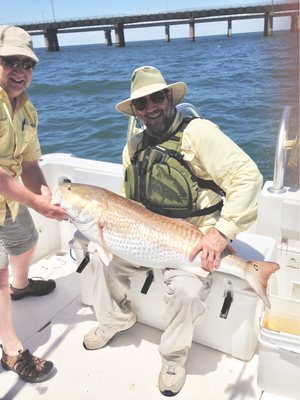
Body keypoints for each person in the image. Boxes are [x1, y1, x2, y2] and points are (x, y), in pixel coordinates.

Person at [83, 66, 263, 396]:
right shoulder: (133, 147)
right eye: (142, 103)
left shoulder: (199, 134)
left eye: (157, 97)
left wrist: (221, 233)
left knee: (187, 294)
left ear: (169, 97)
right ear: (135, 111)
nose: (151, 107)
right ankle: (115, 320)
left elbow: (248, 177)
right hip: (144, 237)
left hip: (192, 240)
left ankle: (174, 358)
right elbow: (128, 202)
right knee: (99, 259)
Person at [0, 25, 66, 383]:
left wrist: (45, 198)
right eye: (10, 61)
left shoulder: (28, 112)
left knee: (26, 241)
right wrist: (37, 204)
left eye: (27, 64)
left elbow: (28, 164)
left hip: (8, 200)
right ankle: (10, 351)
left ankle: (21, 287)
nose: (20, 70)